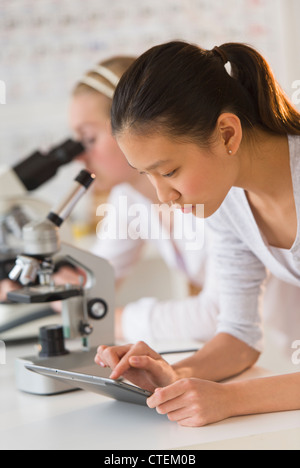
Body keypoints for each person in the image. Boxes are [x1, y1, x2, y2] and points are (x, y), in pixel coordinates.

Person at [94, 41, 300, 427]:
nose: (164, 196)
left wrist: (229, 399)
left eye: (169, 172)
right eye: (148, 176)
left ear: (226, 134)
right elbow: (239, 336)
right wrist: (173, 375)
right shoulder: (229, 199)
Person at [69, 55, 219, 343]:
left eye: (88, 139)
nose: (79, 156)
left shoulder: (211, 190)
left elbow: (215, 316)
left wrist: (111, 321)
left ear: (132, 124)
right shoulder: (128, 198)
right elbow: (93, 285)